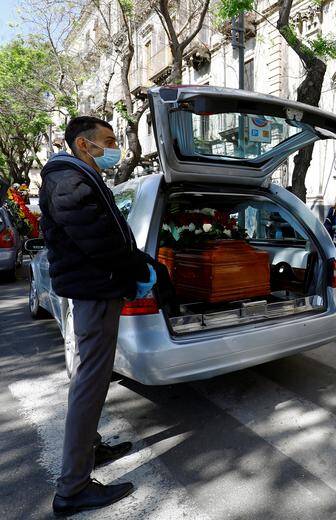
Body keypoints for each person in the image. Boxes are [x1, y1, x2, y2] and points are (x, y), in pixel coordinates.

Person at [40, 116, 157, 516]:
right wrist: (139, 267)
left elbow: (106, 235)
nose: (114, 148)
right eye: (107, 141)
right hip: (94, 292)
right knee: (89, 383)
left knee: (90, 378)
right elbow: (99, 241)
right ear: (83, 144)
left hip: (96, 289)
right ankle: (72, 489)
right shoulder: (68, 181)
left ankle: (91, 449)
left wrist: (134, 262)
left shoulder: (77, 178)